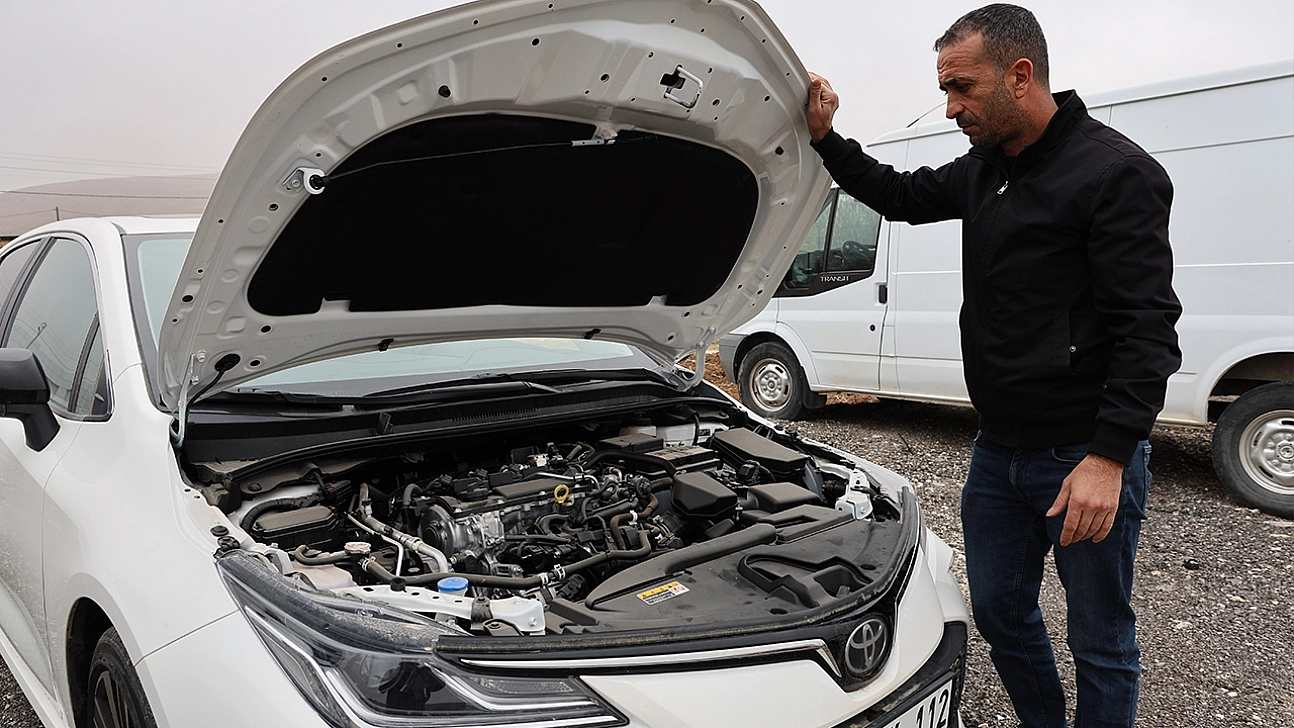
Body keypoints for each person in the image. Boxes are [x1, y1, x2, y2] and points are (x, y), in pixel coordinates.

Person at [804, 5, 1181, 727]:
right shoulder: (986, 168)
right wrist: (827, 139)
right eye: (946, 89)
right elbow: (900, 195)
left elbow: (1148, 330)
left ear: (1020, 75)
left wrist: (1108, 457)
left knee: (1099, 636)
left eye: (962, 87)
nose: (951, 107)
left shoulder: (1116, 173)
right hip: (999, 451)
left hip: (1081, 454)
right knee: (1000, 615)